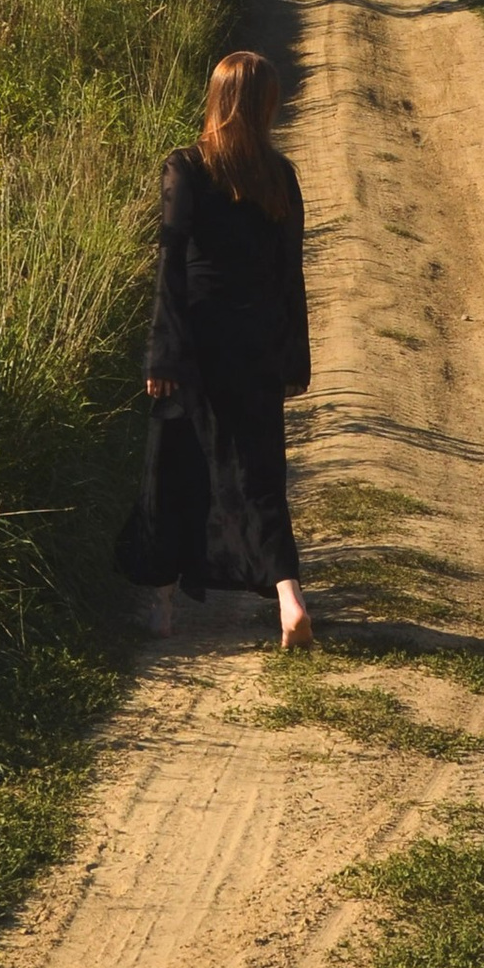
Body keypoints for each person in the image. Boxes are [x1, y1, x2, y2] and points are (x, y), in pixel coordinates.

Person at [140, 49, 315, 647]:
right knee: (260, 474)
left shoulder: (185, 167)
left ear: (217, 99)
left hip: (196, 341)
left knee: (175, 468)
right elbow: (291, 274)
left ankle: (162, 609)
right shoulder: (278, 174)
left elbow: (171, 268)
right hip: (258, 343)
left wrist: (163, 356)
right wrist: (294, 358)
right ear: (265, 105)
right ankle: (289, 599)